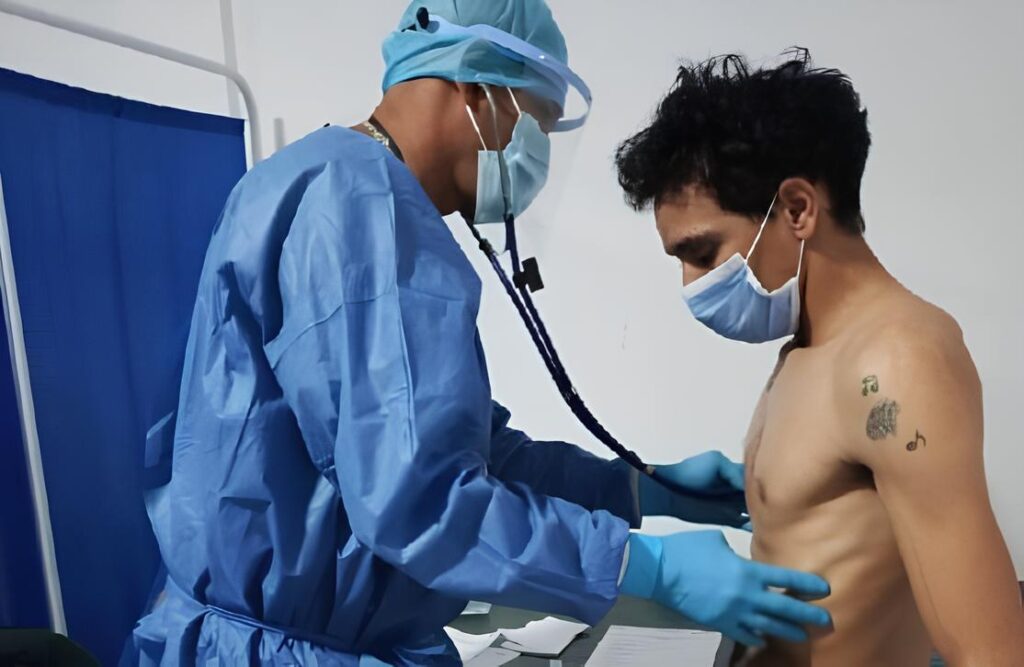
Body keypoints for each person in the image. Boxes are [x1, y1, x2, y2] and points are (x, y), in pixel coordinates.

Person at [132, 5, 833, 665]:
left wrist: (635, 488)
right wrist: (643, 564)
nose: (533, 157)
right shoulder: (359, 206)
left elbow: (465, 455)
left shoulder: (331, 183)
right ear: (476, 86)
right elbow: (421, 498)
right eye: (535, 122)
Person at [615, 50, 1024, 666]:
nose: (691, 285)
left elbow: (990, 652)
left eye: (702, 254)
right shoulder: (806, 349)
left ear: (797, 210)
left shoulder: (895, 363)